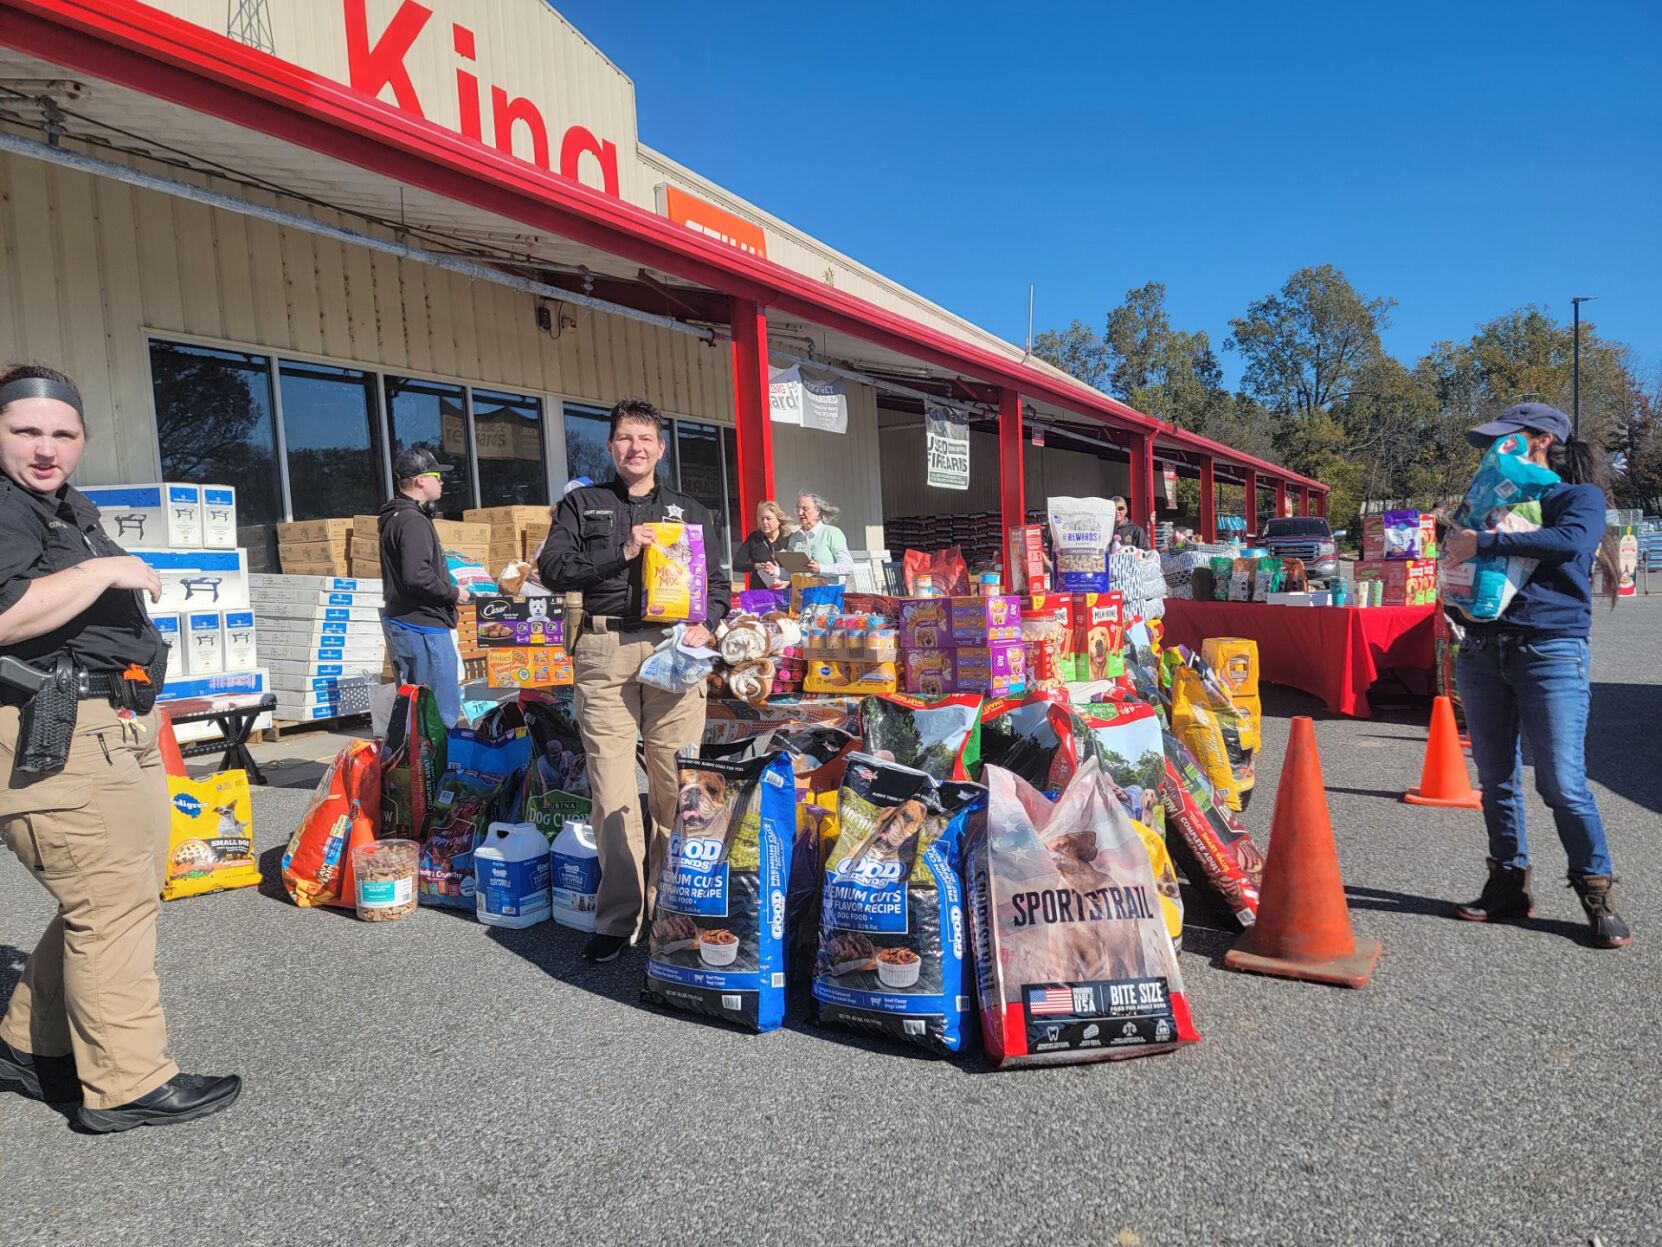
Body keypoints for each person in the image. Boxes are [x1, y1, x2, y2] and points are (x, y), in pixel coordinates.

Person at [0, 364, 240, 1132]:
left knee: (115, 891)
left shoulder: (59, 505)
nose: (46, 448)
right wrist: (106, 567)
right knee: (107, 898)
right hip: (58, 725)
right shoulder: (5, 506)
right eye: (25, 431)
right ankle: (127, 1080)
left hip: (110, 719)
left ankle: (30, 1043)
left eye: (62, 433)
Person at [539, 397, 729, 963]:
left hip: (673, 650)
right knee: (612, 790)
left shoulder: (690, 511)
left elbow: (717, 585)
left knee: (678, 789)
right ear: (610, 447)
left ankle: (672, 910)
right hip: (604, 650)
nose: (635, 448)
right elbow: (552, 570)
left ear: (660, 448)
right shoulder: (583, 504)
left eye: (645, 439)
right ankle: (620, 918)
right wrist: (623, 552)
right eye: (624, 438)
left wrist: (708, 625)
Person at [1443, 402, 1630, 948]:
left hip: (1550, 651)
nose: (1496, 452)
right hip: (1481, 648)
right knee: (1496, 778)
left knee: (1562, 783)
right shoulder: (1489, 501)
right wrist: (1454, 559)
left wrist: (1485, 542)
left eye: (1507, 439)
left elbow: (1569, 542)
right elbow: (1458, 556)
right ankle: (1508, 885)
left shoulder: (1576, 498)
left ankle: (1595, 892)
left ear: (1541, 440)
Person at [379, 447, 468, 728]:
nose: (441, 481)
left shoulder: (396, 517)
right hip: (423, 627)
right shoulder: (413, 521)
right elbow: (417, 575)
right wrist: (455, 593)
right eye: (436, 475)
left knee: (419, 714)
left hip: (409, 622)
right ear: (419, 480)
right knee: (439, 715)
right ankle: (436, 771)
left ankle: (420, 769)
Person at [788, 493, 855, 578]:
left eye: (805, 509)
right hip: (802, 590)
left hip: (828, 589)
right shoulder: (795, 537)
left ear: (818, 510)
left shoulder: (831, 533)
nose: (800, 513)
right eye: (798, 509)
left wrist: (821, 569)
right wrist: (774, 570)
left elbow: (847, 566)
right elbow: (791, 572)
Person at [732, 500, 793, 588]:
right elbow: (737, 564)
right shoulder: (754, 538)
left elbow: (798, 571)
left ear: (778, 520)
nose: (764, 522)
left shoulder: (790, 538)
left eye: (768, 518)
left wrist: (788, 582)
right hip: (760, 594)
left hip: (785, 593)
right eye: (762, 519)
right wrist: (756, 566)